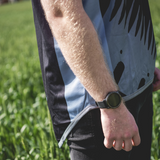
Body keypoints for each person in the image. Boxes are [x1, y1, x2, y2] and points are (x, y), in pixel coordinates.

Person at [31, 0, 160, 160]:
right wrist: (110, 103)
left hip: (138, 84)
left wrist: (143, 64)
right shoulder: (107, 104)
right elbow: (62, 14)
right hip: (97, 104)